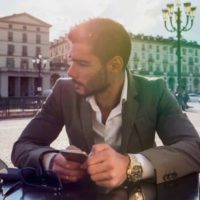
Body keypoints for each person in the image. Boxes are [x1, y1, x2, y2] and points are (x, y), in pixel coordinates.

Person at [11, 18, 200, 189]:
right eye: (72, 61)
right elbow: (22, 146)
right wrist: (51, 161)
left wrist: (131, 165)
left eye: (82, 64)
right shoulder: (64, 91)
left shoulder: (154, 91)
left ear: (115, 65)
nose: (70, 72)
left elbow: (194, 148)